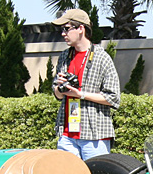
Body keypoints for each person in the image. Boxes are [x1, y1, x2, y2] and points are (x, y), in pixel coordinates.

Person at [51, 9, 120, 161]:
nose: (63, 33)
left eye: (67, 28)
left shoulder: (102, 57)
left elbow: (113, 98)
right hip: (66, 133)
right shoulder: (64, 56)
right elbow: (56, 93)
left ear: (81, 28)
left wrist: (80, 94)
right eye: (62, 29)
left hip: (94, 134)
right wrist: (60, 89)